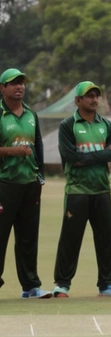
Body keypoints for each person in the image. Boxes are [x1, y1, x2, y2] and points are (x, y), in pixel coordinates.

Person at [51, 82, 111, 298]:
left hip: (101, 188)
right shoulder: (67, 125)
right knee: (70, 239)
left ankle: (107, 284)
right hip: (77, 189)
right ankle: (62, 284)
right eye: (88, 96)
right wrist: (102, 155)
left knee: (106, 239)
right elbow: (71, 158)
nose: (94, 99)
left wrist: (86, 158)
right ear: (77, 101)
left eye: (96, 96)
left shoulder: (106, 125)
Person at [0, 69, 49, 299]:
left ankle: (30, 286)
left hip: (30, 184)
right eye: (13, 83)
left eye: (21, 83)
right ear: (2, 88)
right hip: (4, 183)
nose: (19, 87)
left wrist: (41, 175)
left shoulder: (31, 114)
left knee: (28, 237)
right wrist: (13, 151)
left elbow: (38, 146)